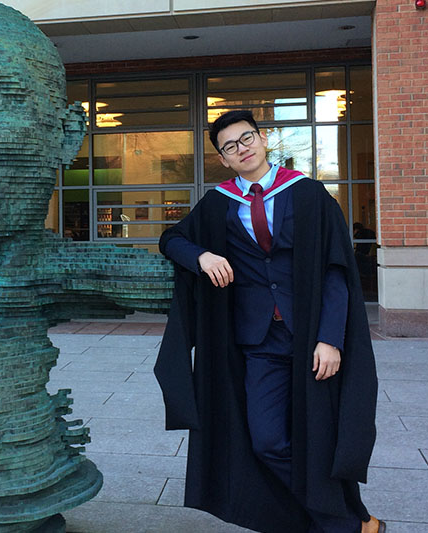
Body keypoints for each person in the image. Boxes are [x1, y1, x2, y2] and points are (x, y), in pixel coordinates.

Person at [154, 110, 384, 533]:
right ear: (223, 159)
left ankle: (344, 522)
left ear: (263, 140)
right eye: (230, 146)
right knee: (267, 441)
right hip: (258, 342)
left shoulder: (310, 194)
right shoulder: (220, 203)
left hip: (311, 338)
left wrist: (331, 339)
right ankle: (347, 521)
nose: (241, 149)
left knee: (321, 439)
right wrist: (201, 256)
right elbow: (171, 239)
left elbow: (336, 271)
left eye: (246, 139)